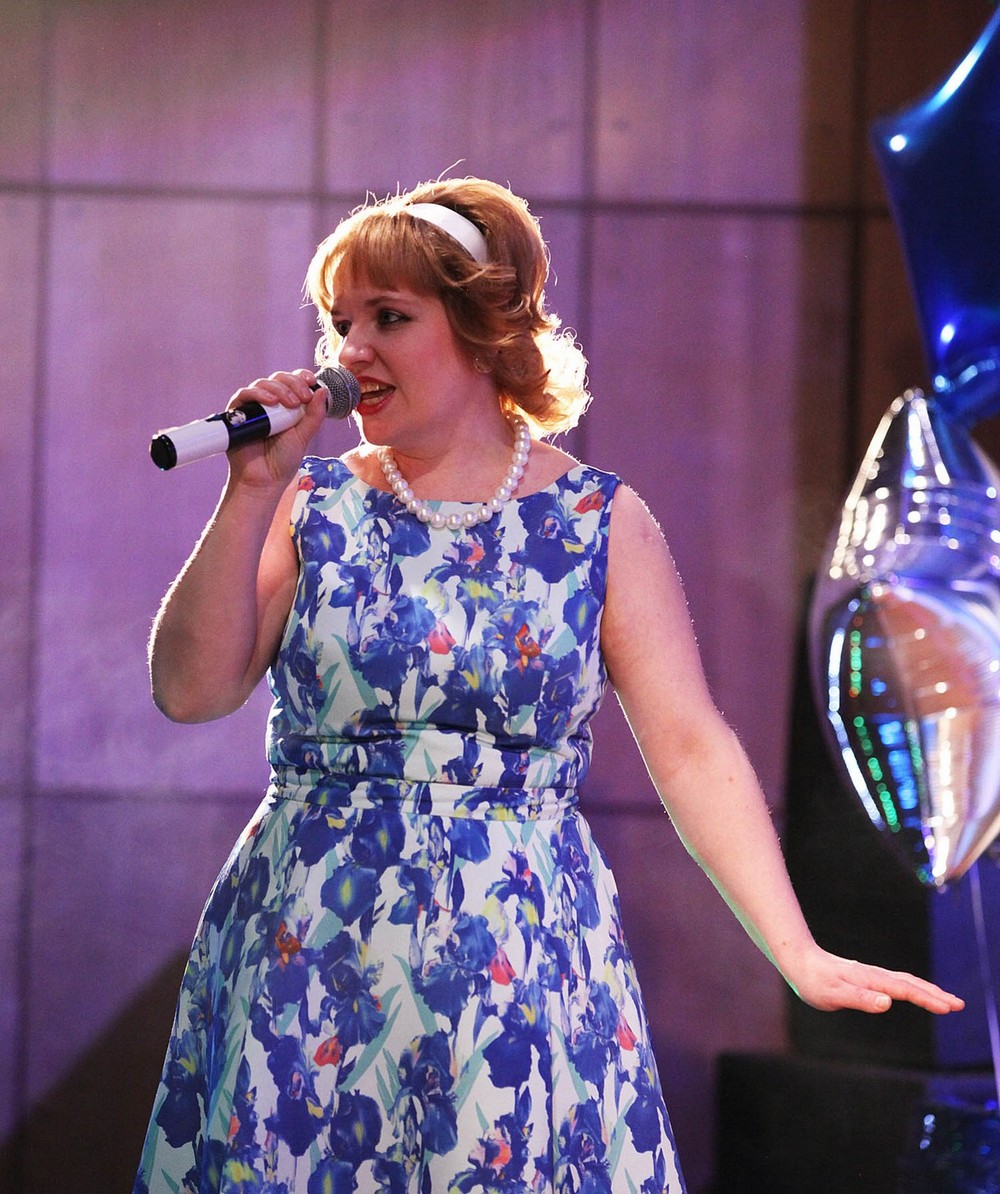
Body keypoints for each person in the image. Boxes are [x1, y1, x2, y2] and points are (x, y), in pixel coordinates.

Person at [133, 177, 963, 1194]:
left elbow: (690, 746)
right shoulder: (312, 503)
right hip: (312, 940)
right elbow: (190, 690)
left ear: (484, 328)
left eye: (389, 318)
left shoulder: (597, 521)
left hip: (514, 954)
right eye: (340, 323)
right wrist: (249, 493)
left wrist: (797, 951)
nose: (350, 352)